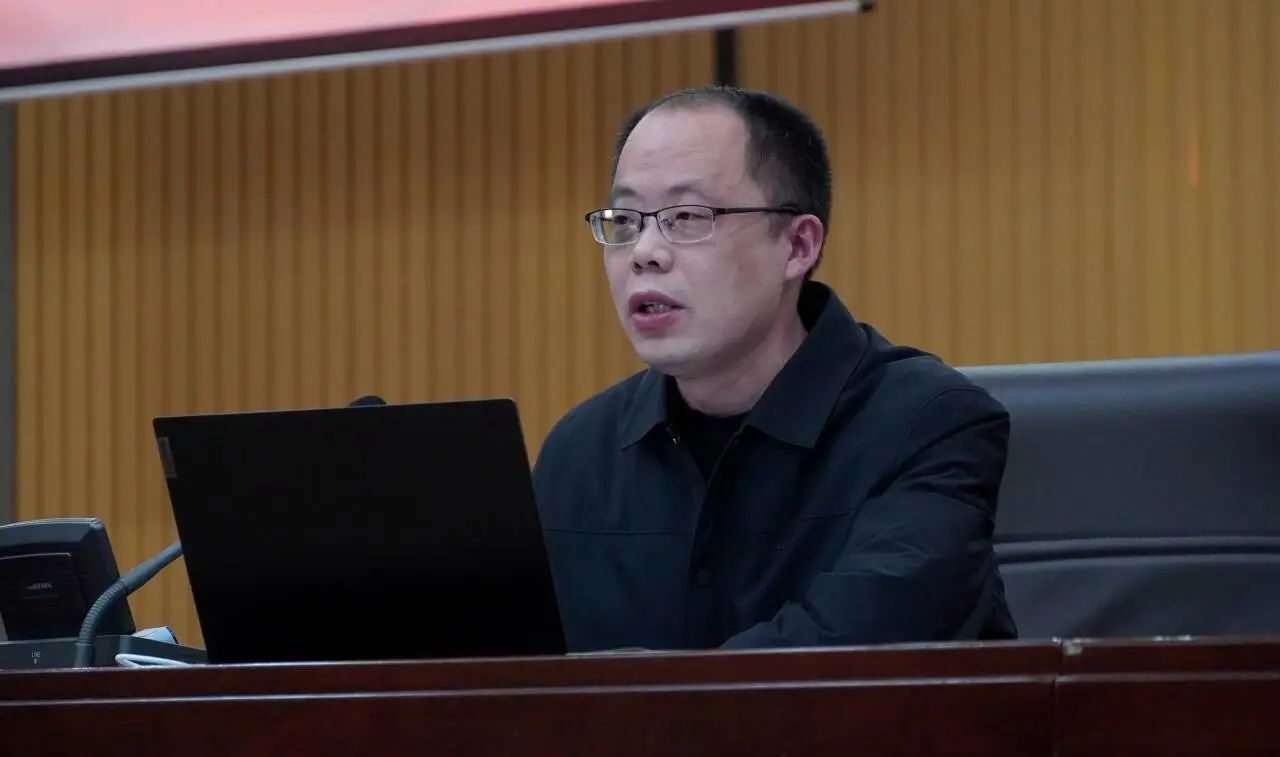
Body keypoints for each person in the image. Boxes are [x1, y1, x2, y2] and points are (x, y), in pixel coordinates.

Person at [532, 85, 1016, 651]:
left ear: (797, 246)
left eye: (686, 217)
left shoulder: (928, 426)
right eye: (627, 220)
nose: (644, 252)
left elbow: (851, 657)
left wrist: (624, 697)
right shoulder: (578, 454)